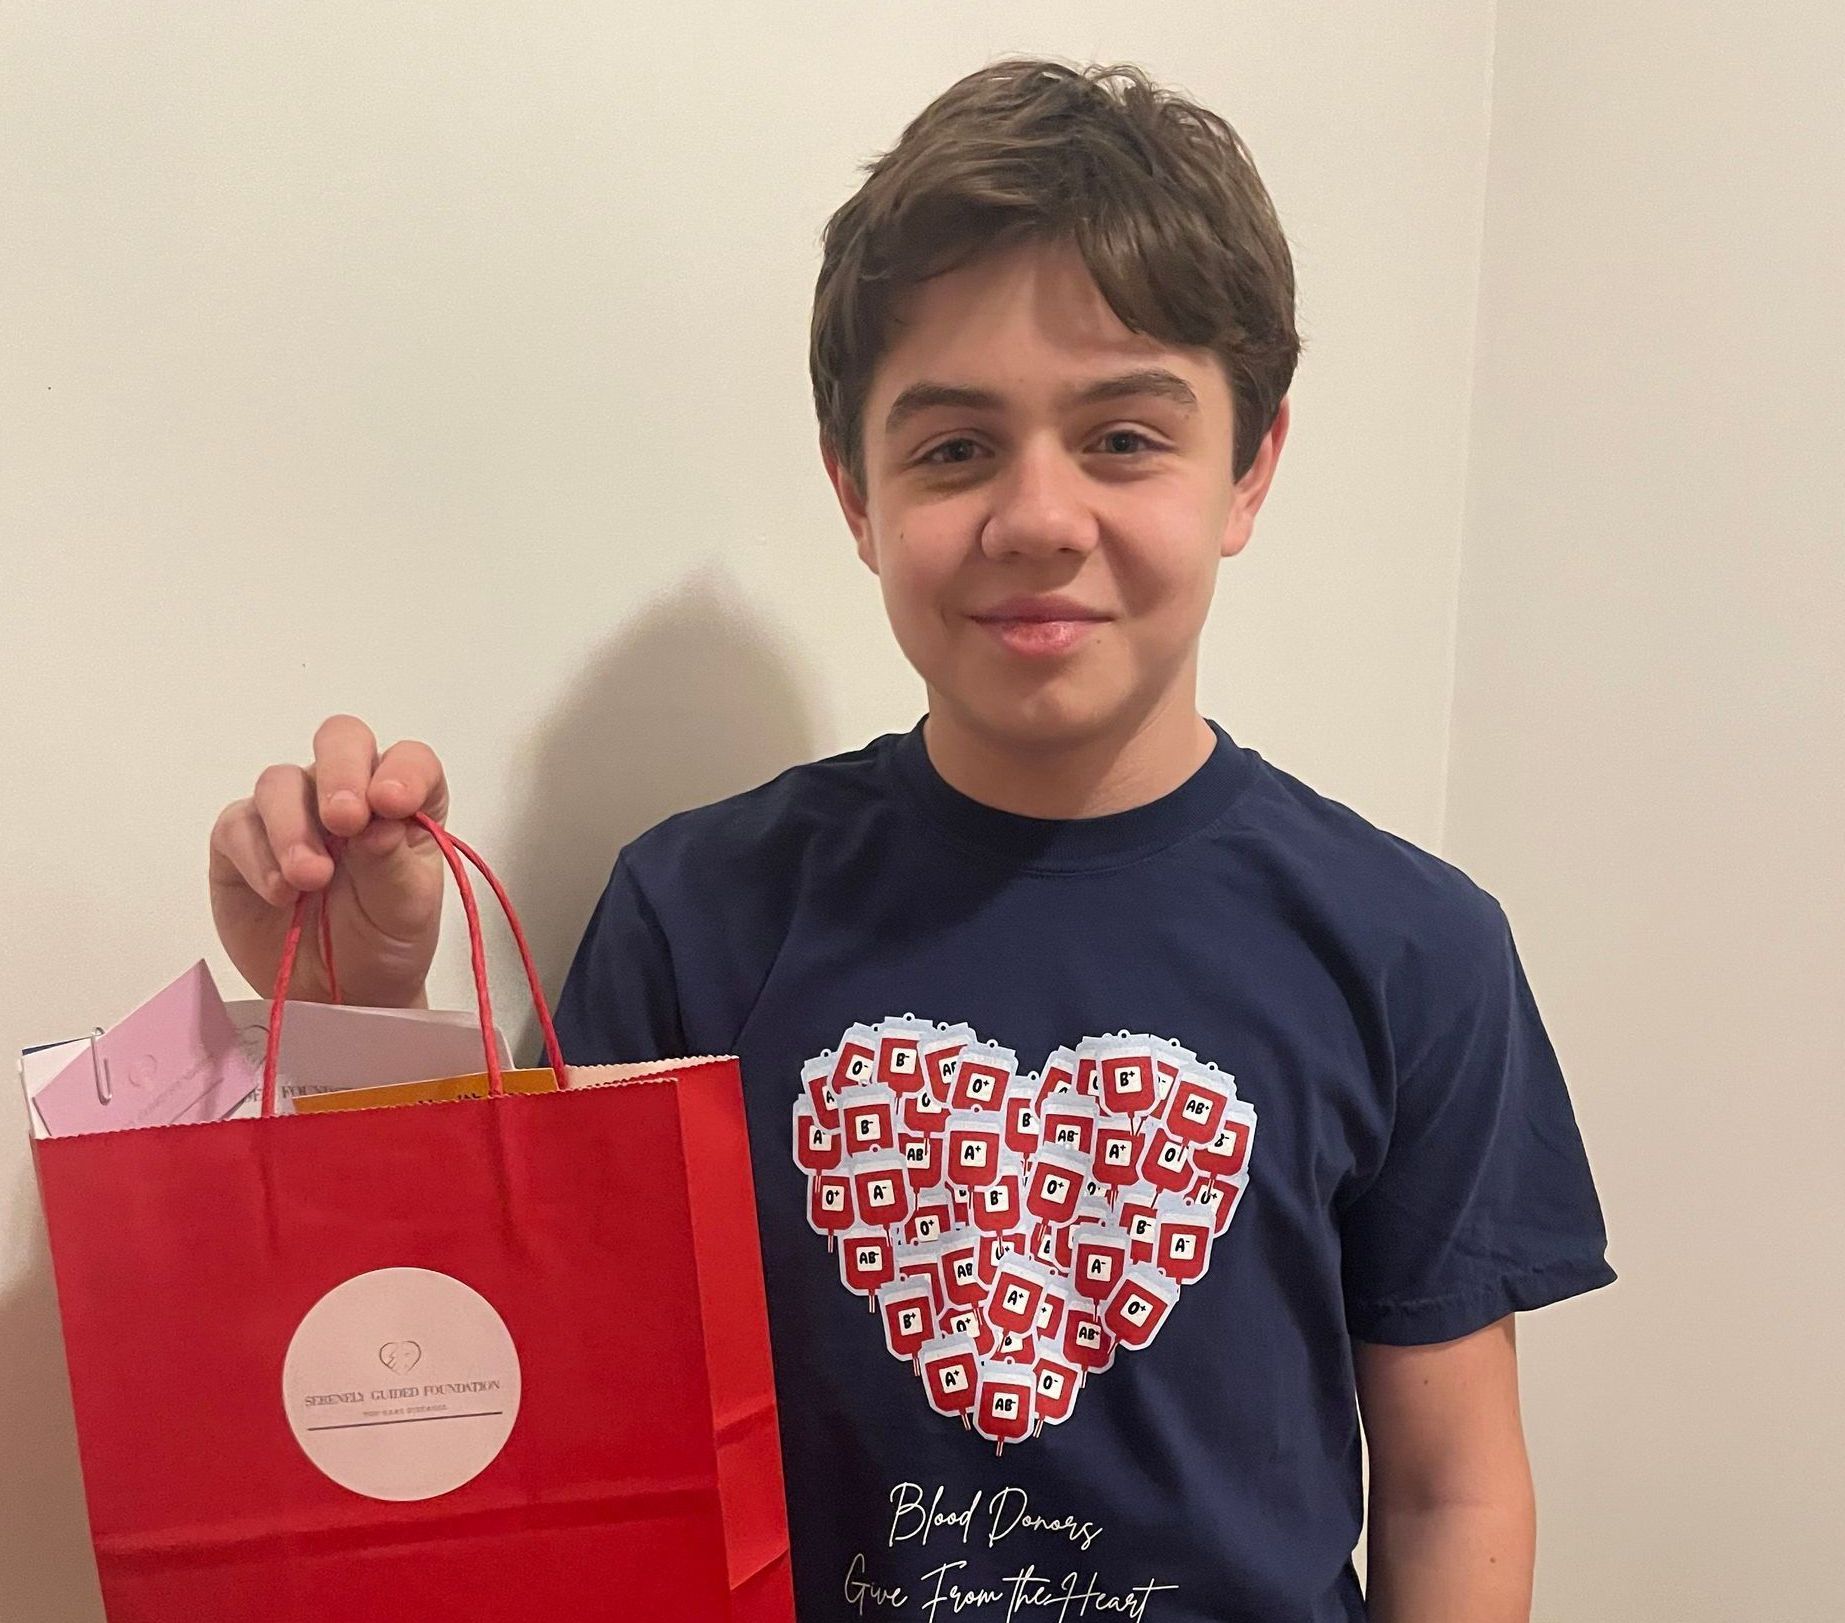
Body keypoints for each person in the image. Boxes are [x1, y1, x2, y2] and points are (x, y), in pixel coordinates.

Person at [207, 57, 1614, 1622]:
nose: (1037, 515)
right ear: (856, 496)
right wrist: (351, 1017)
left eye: (1124, 437)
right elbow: (511, 1392)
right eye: (953, 448)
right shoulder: (699, 910)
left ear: (1250, 467)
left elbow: (1449, 1485)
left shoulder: (1411, 946)